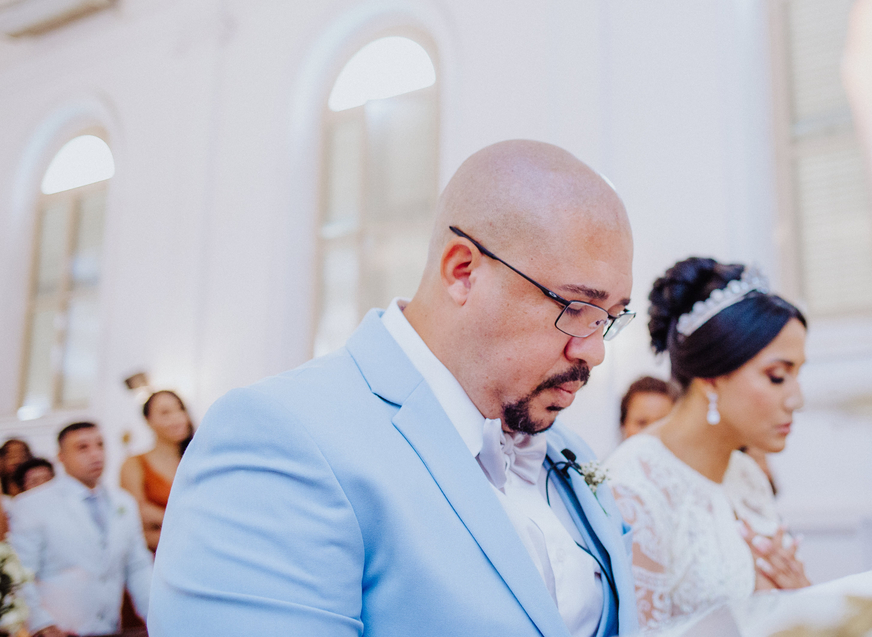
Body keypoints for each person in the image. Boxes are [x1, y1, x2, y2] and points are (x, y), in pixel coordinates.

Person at [151, 140, 640, 637]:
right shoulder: (281, 437)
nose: (594, 352)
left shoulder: (567, 450)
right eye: (577, 308)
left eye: (611, 319)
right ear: (463, 272)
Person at [608, 257, 810, 632]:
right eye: (778, 376)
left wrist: (800, 601)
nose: (796, 399)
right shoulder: (633, 489)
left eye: (798, 373)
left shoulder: (746, 474)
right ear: (712, 378)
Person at [9, 422, 152, 637]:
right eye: (82, 447)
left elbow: (138, 566)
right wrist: (41, 623)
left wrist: (155, 615)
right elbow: (20, 574)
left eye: (100, 445)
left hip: (110, 627)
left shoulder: (123, 502)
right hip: (58, 629)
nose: (95, 454)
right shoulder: (31, 505)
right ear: (61, 456)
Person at [120, 390, 193, 551]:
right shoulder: (134, 463)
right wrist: (189, 525)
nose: (177, 417)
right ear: (148, 420)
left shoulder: (196, 461)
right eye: (165, 412)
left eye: (180, 409)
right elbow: (137, 512)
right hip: (155, 553)